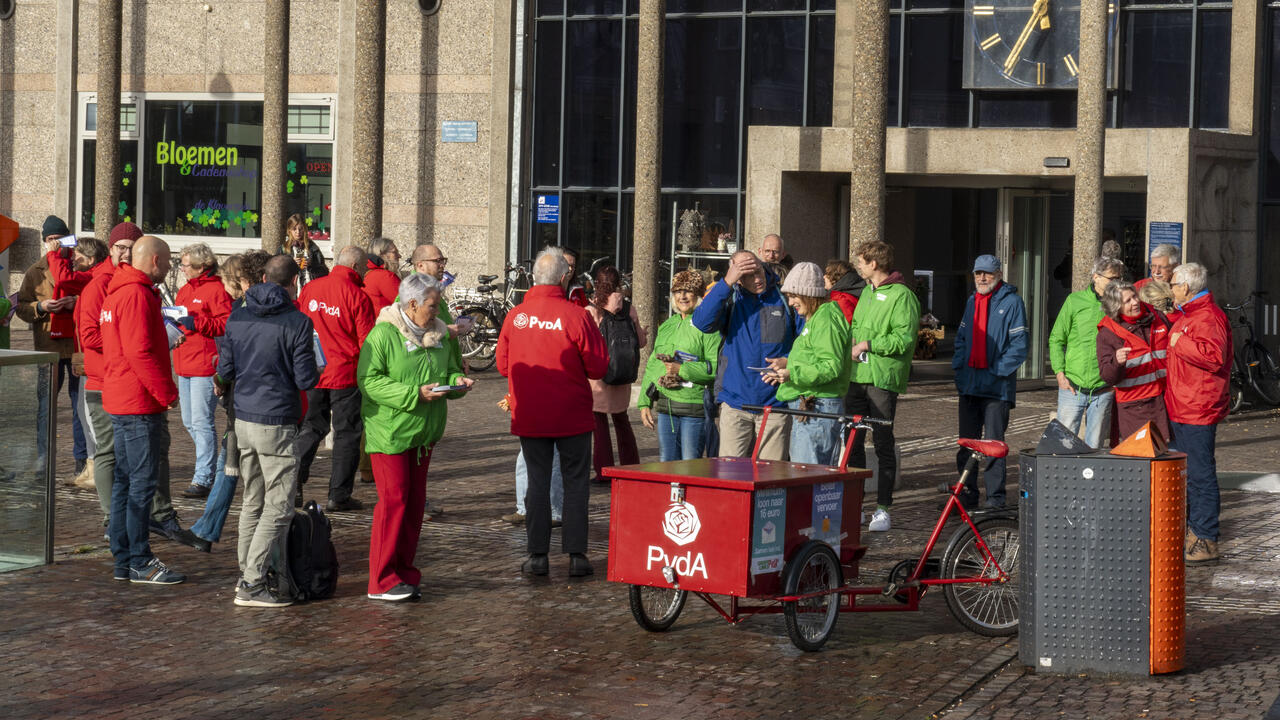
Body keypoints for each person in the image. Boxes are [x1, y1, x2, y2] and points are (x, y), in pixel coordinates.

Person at [358, 273, 474, 601]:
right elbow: (369, 381)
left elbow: (449, 370)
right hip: (390, 431)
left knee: (412, 506)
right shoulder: (382, 335)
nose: (438, 312)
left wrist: (457, 383)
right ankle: (380, 580)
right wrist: (414, 395)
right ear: (412, 304)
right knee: (394, 502)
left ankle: (403, 572)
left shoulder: (439, 334)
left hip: (423, 434)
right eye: (433, 306)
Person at [496, 247, 608, 577]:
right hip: (572, 414)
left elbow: (503, 365)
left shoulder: (516, 315)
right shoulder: (577, 316)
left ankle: (537, 555)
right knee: (575, 485)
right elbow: (599, 365)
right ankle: (576, 555)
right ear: (564, 277)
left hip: (530, 413)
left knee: (537, 483)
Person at [217, 255, 319, 607]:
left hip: (243, 417)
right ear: (294, 283)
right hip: (276, 419)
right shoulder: (297, 322)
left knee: (252, 500)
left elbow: (225, 370)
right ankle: (252, 581)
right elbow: (306, 378)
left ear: (262, 278)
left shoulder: (238, 314)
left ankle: (247, 572)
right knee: (278, 505)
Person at [100, 236, 186, 585]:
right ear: (154, 260)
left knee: (126, 481)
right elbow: (140, 352)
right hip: (137, 401)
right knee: (140, 484)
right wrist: (166, 392)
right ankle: (139, 558)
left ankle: (125, 558)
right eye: (166, 262)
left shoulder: (120, 291)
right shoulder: (135, 294)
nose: (169, 268)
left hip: (124, 397)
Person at [189, 252, 267, 549]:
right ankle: (207, 529)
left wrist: (222, 374)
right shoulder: (268, 310)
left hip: (245, 404)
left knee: (242, 474)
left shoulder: (241, 311)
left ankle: (216, 535)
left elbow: (234, 357)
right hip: (251, 403)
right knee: (230, 468)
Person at [691, 250, 800, 460]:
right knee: (731, 475)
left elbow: (805, 341)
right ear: (738, 279)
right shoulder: (730, 297)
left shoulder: (784, 296)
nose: (757, 279)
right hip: (735, 401)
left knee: (770, 479)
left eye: (758, 271)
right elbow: (701, 322)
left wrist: (789, 360)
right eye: (747, 275)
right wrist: (727, 282)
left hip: (775, 403)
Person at [295, 245, 376, 511]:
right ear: (355, 267)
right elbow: (367, 343)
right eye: (363, 268)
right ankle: (338, 495)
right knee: (347, 435)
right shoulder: (357, 296)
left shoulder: (311, 289)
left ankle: (292, 481)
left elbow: (299, 323)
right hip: (344, 375)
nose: (365, 272)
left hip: (313, 372)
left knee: (311, 427)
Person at [847, 241, 919, 532]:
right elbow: (855, 329)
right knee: (852, 443)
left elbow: (905, 340)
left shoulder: (903, 296)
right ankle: (856, 505)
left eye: (861, 261)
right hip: (856, 377)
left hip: (881, 379)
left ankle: (883, 508)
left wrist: (869, 344)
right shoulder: (866, 291)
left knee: (883, 442)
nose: (858, 266)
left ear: (874, 264)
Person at [1165, 263, 1231, 565]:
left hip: (1197, 408)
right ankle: (1195, 531)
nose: (1171, 289)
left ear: (1187, 287)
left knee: (1201, 476)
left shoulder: (1208, 317)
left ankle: (1206, 537)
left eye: (1175, 284)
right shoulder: (1189, 314)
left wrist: (1182, 343)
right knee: (1189, 476)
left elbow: (1215, 357)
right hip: (1183, 405)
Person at [76, 222, 142, 526]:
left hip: (128, 381)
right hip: (102, 380)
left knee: (132, 454)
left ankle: (135, 516)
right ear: (111, 249)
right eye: (120, 248)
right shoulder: (98, 285)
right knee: (108, 452)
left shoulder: (137, 283)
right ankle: (110, 519)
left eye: (131, 248)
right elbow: (90, 336)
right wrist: (125, 337)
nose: (125, 254)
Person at [951, 255, 1029, 510]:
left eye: (987, 273)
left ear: (998, 273)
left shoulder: (1013, 302)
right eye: (978, 274)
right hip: (970, 386)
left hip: (996, 389)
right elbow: (961, 339)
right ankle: (967, 496)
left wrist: (996, 371)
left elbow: (1019, 346)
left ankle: (995, 499)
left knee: (994, 447)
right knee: (966, 446)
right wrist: (959, 371)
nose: (982, 278)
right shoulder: (971, 302)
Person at [16, 215, 88, 476]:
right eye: (50, 240)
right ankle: (43, 460)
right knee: (46, 406)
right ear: (45, 242)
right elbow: (21, 307)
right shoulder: (35, 271)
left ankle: (82, 461)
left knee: (81, 405)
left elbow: (95, 296)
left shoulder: (80, 265)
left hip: (77, 346)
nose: (55, 244)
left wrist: (76, 303)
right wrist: (41, 307)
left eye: (59, 238)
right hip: (48, 348)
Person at [762, 262, 852, 465]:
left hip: (817, 408)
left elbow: (831, 366)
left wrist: (791, 373)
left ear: (809, 294)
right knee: (808, 474)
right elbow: (818, 357)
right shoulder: (817, 318)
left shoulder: (825, 319)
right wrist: (786, 362)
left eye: (794, 296)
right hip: (814, 407)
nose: (791, 302)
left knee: (807, 474)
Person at [638, 270, 722, 462]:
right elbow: (654, 365)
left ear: (699, 295)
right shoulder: (667, 325)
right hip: (666, 407)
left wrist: (681, 369)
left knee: (690, 464)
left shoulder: (708, 327)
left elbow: (715, 367)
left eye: (688, 291)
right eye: (678, 291)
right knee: (666, 462)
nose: (682, 296)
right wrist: (644, 402)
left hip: (694, 408)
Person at [48, 234, 109, 487]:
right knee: (84, 414)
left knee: (92, 414)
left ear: (91, 259)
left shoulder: (98, 276)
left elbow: (64, 277)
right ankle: (92, 466)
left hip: (96, 356)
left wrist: (54, 254)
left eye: (78, 258)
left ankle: (99, 470)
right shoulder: (92, 277)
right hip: (84, 354)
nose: (73, 261)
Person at [172, 242, 233, 499]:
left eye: (185, 265)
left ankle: (203, 477)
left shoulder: (217, 290)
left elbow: (226, 323)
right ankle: (214, 465)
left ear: (200, 266)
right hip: (184, 360)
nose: (182, 269)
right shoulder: (184, 290)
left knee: (201, 421)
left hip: (204, 363)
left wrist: (197, 322)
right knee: (189, 421)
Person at [1049, 256, 1124, 448]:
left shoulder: (1120, 304)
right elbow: (1056, 338)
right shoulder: (1075, 301)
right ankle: (1063, 479)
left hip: (1103, 387)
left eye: (1119, 279)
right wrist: (1059, 373)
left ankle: (1089, 478)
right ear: (1095, 277)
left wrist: (1115, 380)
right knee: (1063, 444)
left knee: (1095, 447)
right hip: (1072, 385)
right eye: (1111, 278)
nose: (1116, 283)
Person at [586, 265, 647, 481]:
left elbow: (585, 345)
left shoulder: (592, 310)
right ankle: (631, 467)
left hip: (599, 377)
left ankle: (603, 471)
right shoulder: (629, 308)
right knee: (622, 421)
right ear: (619, 283)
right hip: (622, 375)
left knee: (599, 423)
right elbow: (641, 342)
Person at [1096, 280, 1172, 441]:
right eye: (1128, 301)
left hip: (1167, 401)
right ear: (1116, 307)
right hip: (1136, 409)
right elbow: (1107, 376)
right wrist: (1116, 362)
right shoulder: (1108, 334)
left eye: (1135, 296)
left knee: (1172, 457)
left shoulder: (1157, 316)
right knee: (1143, 461)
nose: (1135, 302)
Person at [281, 213, 329, 287]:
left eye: (300, 229)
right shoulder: (284, 248)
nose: (298, 232)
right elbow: (277, 273)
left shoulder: (312, 247)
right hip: (291, 290)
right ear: (289, 230)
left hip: (311, 288)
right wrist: (291, 263)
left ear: (304, 229)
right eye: (294, 229)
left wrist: (311, 264)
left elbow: (324, 271)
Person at [363, 236, 402, 312]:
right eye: (394, 252)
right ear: (381, 254)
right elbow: (407, 305)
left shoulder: (366, 273)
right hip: (384, 322)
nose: (399, 256)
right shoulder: (386, 276)